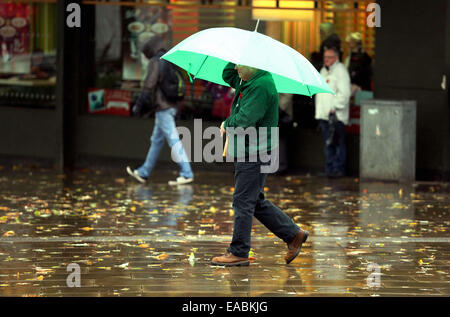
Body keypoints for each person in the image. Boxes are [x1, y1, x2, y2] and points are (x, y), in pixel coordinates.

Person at [211, 62, 309, 266]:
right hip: (252, 149)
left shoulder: (260, 85)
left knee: (243, 201)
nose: (236, 69)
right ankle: (293, 234)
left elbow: (246, 119)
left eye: (240, 65)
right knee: (254, 201)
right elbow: (227, 74)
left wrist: (227, 123)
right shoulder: (249, 78)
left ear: (253, 65)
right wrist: (237, 55)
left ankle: (238, 252)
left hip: (254, 152)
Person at [126, 36, 194, 186]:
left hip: (163, 107)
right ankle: (144, 172)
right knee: (156, 141)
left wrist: (139, 104)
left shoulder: (156, 61)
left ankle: (187, 172)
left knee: (173, 139)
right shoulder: (170, 59)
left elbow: (149, 84)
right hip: (171, 106)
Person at [315, 47, 351, 178]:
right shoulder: (323, 71)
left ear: (336, 58)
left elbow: (345, 93)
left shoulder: (341, 71)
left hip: (336, 115)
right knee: (328, 143)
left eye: (329, 57)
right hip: (324, 114)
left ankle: (338, 169)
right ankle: (329, 168)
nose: (326, 60)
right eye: (325, 57)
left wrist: (334, 107)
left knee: (337, 143)